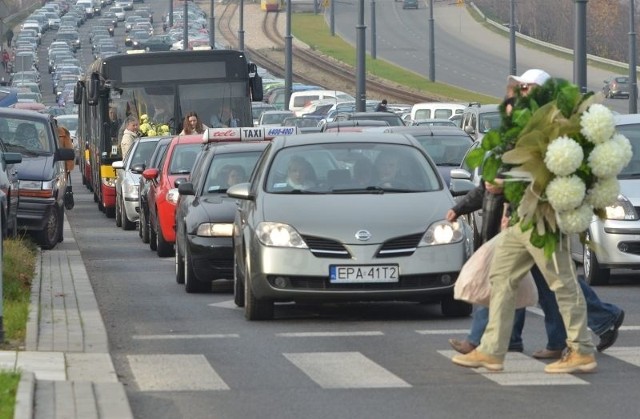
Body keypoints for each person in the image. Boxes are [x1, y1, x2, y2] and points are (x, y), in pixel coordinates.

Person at [451, 69, 598, 374]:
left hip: (544, 217)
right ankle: (491, 350)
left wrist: (504, 184)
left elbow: (547, 169)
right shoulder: (531, 122)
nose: (520, 92)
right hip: (522, 216)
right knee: (500, 276)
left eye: (526, 87)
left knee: (562, 282)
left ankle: (581, 349)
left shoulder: (553, 125)